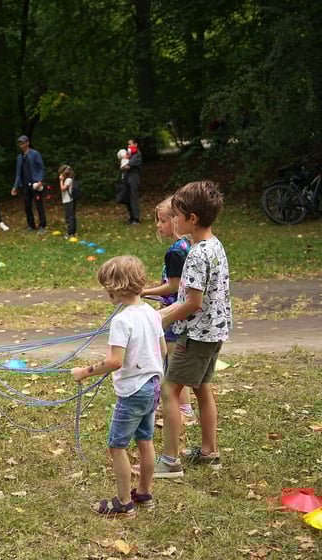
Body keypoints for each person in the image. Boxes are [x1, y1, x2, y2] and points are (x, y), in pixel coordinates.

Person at [72, 255, 165, 518]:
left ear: (116, 286)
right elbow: (163, 349)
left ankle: (124, 502)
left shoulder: (122, 321)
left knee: (118, 446)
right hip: (153, 385)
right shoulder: (151, 313)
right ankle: (144, 493)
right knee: (145, 440)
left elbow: (114, 361)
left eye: (106, 285)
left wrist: (84, 372)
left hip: (133, 392)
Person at [154, 180, 232, 478]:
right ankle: (210, 453)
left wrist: (163, 316)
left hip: (197, 334)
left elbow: (193, 302)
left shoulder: (197, 254)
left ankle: (170, 461)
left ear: (192, 219)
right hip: (214, 333)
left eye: (178, 214)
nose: (174, 219)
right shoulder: (215, 245)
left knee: (170, 390)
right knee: (202, 388)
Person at [140, 197, 196, 425]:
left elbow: (173, 286)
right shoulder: (187, 246)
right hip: (179, 311)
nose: (158, 225)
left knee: (172, 362)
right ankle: (179, 406)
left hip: (173, 314)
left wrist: (143, 292)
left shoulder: (175, 251)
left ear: (175, 220)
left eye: (162, 220)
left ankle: (184, 410)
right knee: (173, 361)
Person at [11, 134, 47, 234]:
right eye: (20, 144)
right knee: (27, 205)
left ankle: (42, 225)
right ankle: (31, 225)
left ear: (27, 143)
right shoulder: (20, 157)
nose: (22, 146)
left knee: (39, 204)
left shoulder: (35, 154)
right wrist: (15, 186)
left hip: (35, 183)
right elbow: (18, 173)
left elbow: (41, 168)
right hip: (25, 184)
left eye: (23, 143)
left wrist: (40, 180)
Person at [122, 138, 142, 225]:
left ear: (135, 144)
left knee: (133, 197)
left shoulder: (137, 154)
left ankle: (136, 218)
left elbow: (127, 166)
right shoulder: (129, 154)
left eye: (130, 144)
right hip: (127, 177)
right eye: (128, 144)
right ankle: (131, 217)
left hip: (134, 177)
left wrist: (124, 162)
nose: (129, 146)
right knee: (127, 198)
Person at [57, 164, 77, 240]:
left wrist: (61, 181)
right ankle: (72, 231)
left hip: (68, 200)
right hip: (66, 200)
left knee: (69, 217)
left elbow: (63, 188)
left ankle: (70, 232)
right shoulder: (68, 180)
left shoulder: (68, 180)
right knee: (69, 216)